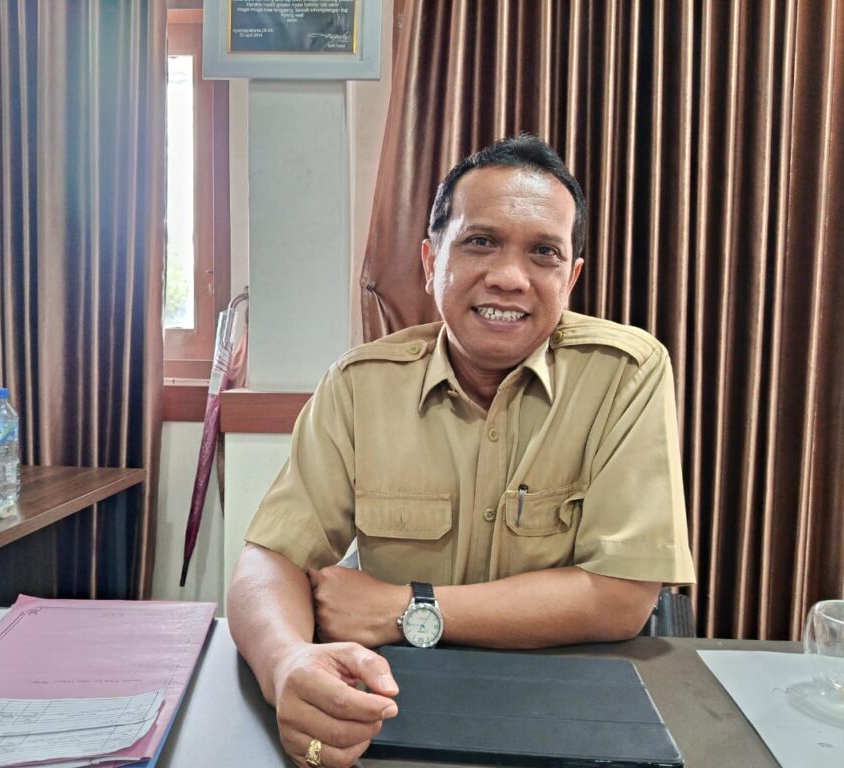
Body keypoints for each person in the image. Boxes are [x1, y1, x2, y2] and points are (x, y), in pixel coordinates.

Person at [227, 134, 697, 768]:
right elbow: (270, 559)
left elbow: (622, 597)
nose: (508, 278)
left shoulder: (626, 373)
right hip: (396, 700)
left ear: (571, 278)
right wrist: (287, 663)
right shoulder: (361, 385)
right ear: (431, 261)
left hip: (569, 705)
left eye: (544, 253)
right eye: (480, 241)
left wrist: (406, 607)